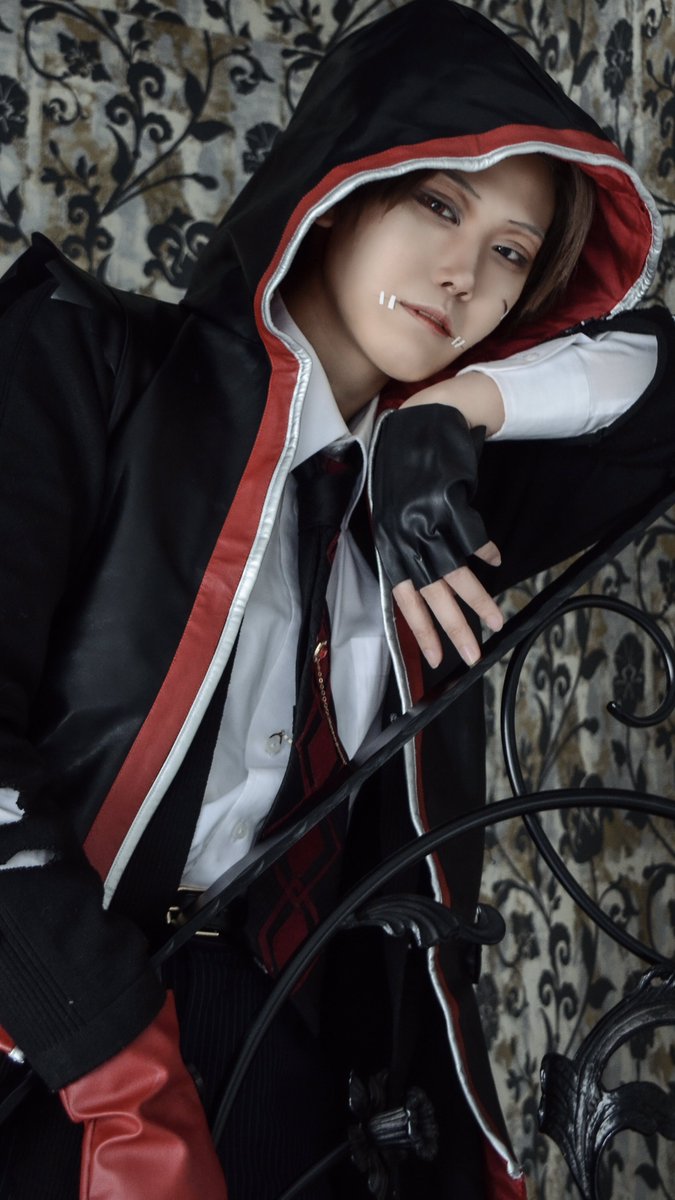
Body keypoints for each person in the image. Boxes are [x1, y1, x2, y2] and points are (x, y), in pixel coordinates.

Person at [0, 1, 672, 1197]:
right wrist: (118, 1077)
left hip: (301, 1074)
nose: (465, 275)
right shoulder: (85, 361)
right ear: (343, 186)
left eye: (513, 252)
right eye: (441, 206)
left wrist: (456, 414)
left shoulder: (439, 516)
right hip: (60, 1040)